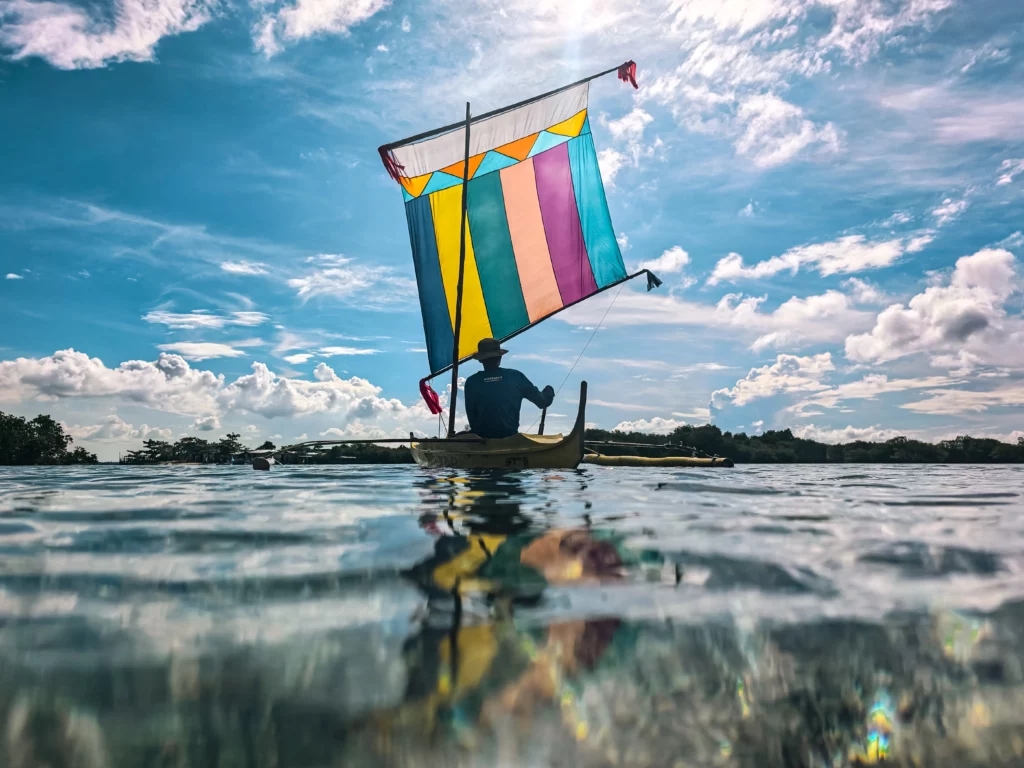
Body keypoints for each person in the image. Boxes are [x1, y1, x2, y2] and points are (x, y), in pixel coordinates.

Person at [463, 338, 554, 439]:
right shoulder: (515, 377)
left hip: (480, 441)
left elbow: (472, 419)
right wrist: (549, 391)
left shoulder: (471, 382)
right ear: (500, 357)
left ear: (480, 360)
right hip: (509, 439)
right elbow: (542, 402)